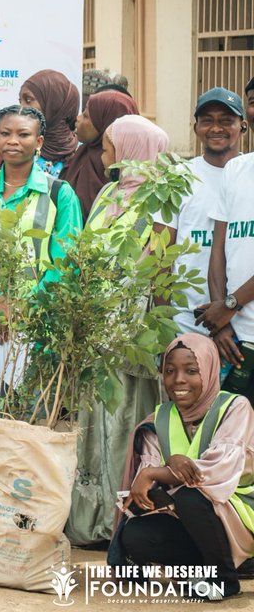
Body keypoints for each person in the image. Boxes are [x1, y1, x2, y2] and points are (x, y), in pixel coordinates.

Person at [68, 114, 170, 546]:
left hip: (133, 336)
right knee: (95, 422)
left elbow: (160, 273)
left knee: (126, 422)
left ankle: (121, 522)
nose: (105, 150)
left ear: (132, 147)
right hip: (97, 329)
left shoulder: (160, 198)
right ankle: (92, 521)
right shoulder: (110, 190)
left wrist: (143, 335)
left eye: (110, 143)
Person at [0, 106, 83, 416]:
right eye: (5, 134)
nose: (13, 141)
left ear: (38, 142)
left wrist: (23, 308)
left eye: (23, 134)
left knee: (37, 423)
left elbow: (67, 264)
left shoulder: (59, 194)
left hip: (41, 328)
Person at [110, 335, 253, 601]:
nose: (179, 380)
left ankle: (226, 579)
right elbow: (147, 474)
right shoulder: (161, 417)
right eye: (169, 371)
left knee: (192, 496)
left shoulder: (235, 407)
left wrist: (159, 472)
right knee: (136, 535)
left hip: (239, 515)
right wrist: (151, 478)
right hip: (192, 520)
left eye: (191, 370)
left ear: (209, 371)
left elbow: (217, 470)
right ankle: (199, 571)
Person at [164, 90, 246, 337]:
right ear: (195, 127)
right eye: (207, 120)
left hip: (241, 322)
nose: (216, 128)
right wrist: (163, 327)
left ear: (242, 126)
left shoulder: (248, 175)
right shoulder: (177, 178)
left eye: (226, 120)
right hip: (186, 322)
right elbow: (161, 259)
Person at [201, 145, 254, 385]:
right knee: (233, 421)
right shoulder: (235, 169)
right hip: (234, 339)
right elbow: (218, 249)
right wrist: (221, 322)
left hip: (232, 313)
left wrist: (230, 304)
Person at [61, 89, 140, 219]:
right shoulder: (79, 157)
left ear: (107, 123)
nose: (78, 119)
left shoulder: (130, 177)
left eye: (86, 116)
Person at [17, 70, 80, 176]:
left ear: (54, 105)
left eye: (28, 100)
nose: (20, 109)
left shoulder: (82, 154)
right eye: (20, 101)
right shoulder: (17, 148)